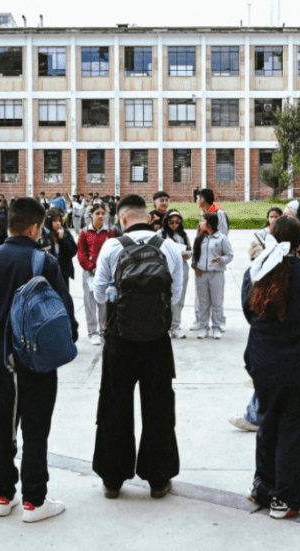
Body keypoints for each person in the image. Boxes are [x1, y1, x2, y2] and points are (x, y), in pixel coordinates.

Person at [0, 197, 77, 522]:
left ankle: (3, 495)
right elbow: (64, 314)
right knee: (35, 430)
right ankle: (34, 501)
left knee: (1, 428)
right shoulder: (45, 263)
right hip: (38, 362)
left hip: (0, 362)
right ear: (33, 227)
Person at [91, 195, 184, 501]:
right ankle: (158, 479)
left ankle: (113, 480)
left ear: (123, 219)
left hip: (120, 337)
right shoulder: (169, 247)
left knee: (114, 406)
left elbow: (99, 294)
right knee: (158, 407)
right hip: (157, 339)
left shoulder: (112, 246)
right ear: (147, 216)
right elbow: (175, 295)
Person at [243, 215, 300, 519]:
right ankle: (286, 497)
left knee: (268, 422)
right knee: (296, 427)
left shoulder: (256, 271)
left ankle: (262, 487)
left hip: (264, 358)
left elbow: (249, 311)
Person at [192, 212, 233, 339]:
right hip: (201, 274)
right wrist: (195, 267)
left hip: (216, 274)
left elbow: (229, 255)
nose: (200, 223)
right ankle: (204, 328)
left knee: (216, 302)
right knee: (203, 303)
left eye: (202, 221)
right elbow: (195, 255)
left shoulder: (221, 238)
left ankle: (216, 327)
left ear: (209, 224)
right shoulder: (200, 238)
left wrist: (220, 259)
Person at [77, 202, 113, 346]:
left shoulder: (109, 232)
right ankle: (93, 332)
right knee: (90, 303)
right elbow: (81, 253)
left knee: (104, 302)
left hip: (106, 274)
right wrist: (92, 267)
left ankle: (104, 330)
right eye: (97, 213)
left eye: (103, 213)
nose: (100, 216)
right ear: (91, 215)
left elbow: (113, 252)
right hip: (90, 274)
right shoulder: (85, 232)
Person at [161, 210, 191, 339]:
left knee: (178, 298)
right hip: (165, 269)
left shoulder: (183, 235)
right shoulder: (160, 235)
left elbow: (190, 251)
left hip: (181, 268)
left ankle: (175, 327)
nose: (174, 225)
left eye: (177, 222)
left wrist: (187, 254)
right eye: (171, 222)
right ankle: (163, 327)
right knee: (163, 299)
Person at [38, 207, 78, 289]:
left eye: (59, 220)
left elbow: (72, 252)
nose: (58, 223)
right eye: (55, 220)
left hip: (63, 274)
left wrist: (62, 239)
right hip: (48, 275)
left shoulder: (65, 233)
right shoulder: (43, 236)